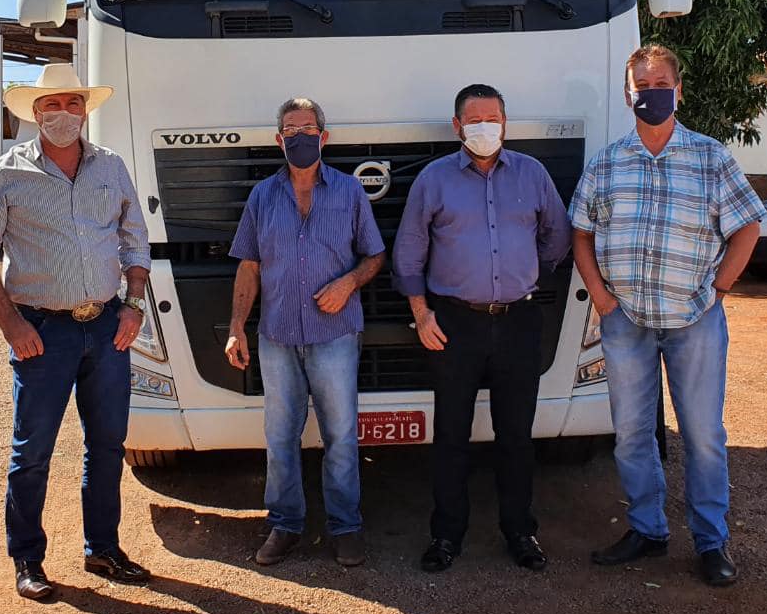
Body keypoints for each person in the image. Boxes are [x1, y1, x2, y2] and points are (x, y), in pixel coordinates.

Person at [568, 45, 763, 587]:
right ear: (627, 92)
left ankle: (710, 542)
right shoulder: (607, 162)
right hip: (625, 319)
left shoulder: (711, 157)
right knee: (631, 433)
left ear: (678, 90)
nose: (649, 92)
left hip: (694, 318)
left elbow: (748, 225)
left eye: (659, 83)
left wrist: (721, 287)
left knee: (703, 434)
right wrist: (602, 299)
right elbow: (580, 232)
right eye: (640, 84)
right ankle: (647, 530)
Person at [0, 63, 153, 603]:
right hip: (42, 333)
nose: (63, 114)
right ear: (35, 113)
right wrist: (12, 325)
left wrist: (134, 307)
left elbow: (134, 240)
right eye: (52, 106)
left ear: (85, 110)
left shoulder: (111, 168)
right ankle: (27, 558)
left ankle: (103, 548)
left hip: (108, 326)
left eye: (73, 104)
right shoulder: (6, 174)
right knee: (33, 451)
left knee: (108, 445)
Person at [392, 84, 571, 574]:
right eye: (475, 121)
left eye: (493, 118)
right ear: (457, 127)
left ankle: (520, 531)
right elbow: (408, 253)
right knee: (451, 434)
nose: (485, 128)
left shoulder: (532, 175)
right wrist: (421, 313)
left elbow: (557, 235)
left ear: (506, 123)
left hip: (519, 322)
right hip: (452, 324)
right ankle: (446, 535)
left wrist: (528, 274)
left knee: (516, 435)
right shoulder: (434, 180)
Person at [226, 98, 385, 568]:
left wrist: (348, 282)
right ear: (279, 139)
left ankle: (345, 527)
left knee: (340, 435)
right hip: (276, 337)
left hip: (335, 335)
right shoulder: (261, 197)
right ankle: (285, 525)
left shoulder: (350, 193)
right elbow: (249, 266)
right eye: (291, 130)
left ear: (324, 136)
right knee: (280, 436)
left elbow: (374, 255)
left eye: (308, 128)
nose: (300, 136)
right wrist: (237, 326)